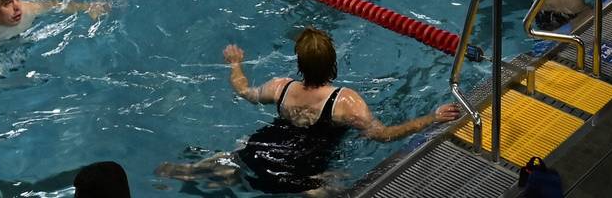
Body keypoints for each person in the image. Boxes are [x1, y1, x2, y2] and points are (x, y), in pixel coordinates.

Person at [159, 32, 460, 193]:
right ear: (333, 64)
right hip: (301, 172)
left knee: (235, 157)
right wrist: (431, 118)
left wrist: (235, 63)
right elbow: (382, 136)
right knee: (328, 184)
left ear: (299, 65)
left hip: (257, 152)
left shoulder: (280, 87)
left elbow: (244, 91)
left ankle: (186, 170)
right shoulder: (346, 102)